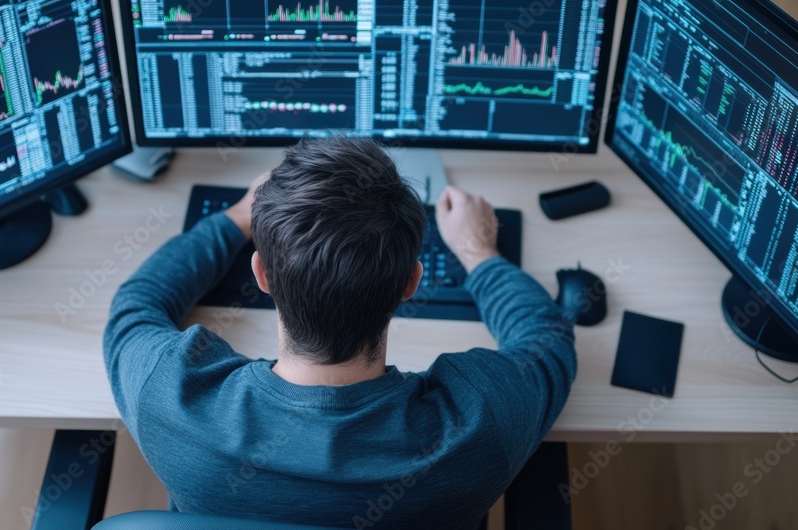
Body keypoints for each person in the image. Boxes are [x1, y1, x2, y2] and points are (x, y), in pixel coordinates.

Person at [104, 137, 575, 530]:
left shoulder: (169, 394)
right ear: (412, 282)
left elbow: (136, 306)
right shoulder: (481, 421)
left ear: (262, 275)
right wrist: (478, 250)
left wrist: (239, 217)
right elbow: (548, 339)